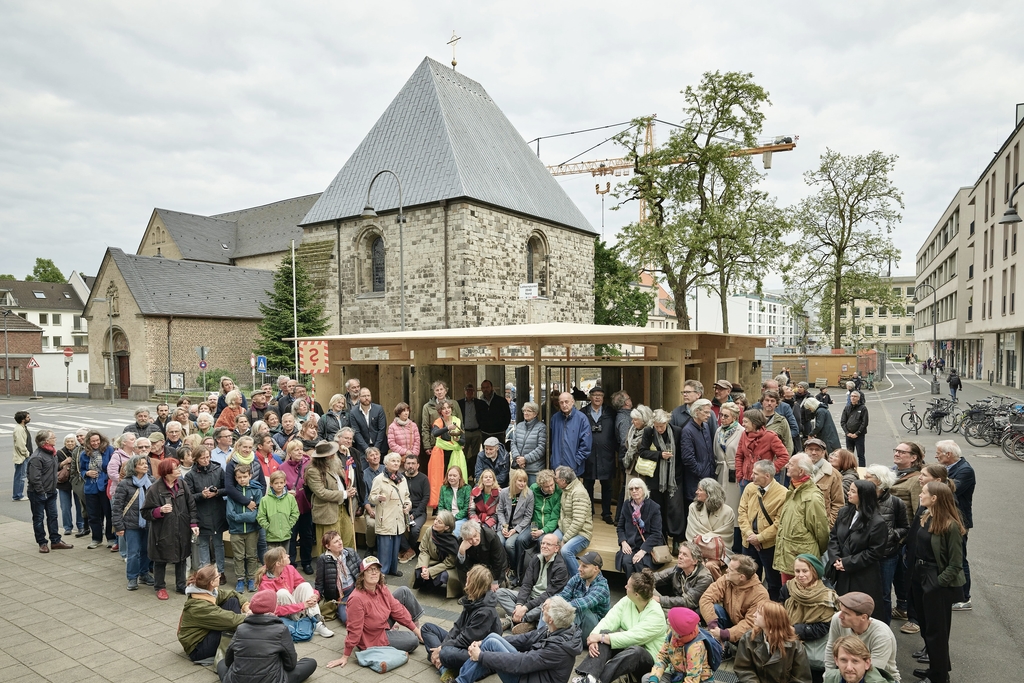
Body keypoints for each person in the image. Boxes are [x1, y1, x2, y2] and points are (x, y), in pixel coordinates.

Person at [909, 482, 965, 683]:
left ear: (934, 498)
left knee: (937, 632)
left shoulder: (950, 526)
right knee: (926, 627)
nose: (920, 494)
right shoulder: (926, 516)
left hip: (935, 580)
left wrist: (938, 583)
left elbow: (956, 563)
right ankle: (935, 669)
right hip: (920, 575)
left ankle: (940, 676)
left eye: (924, 492)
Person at [455, 596, 583, 683]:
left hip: (525, 678)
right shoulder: (557, 628)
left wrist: (481, 656)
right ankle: (461, 679)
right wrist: (481, 643)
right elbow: (525, 639)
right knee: (492, 638)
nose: (541, 608)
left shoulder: (557, 648)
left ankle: (461, 680)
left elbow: (521, 663)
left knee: (491, 644)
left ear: (550, 619)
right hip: (530, 673)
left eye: (544, 608)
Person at [326, 556, 424, 668]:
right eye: (370, 570)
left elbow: (397, 609)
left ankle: (419, 632)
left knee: (404, 591)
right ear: (362, 575)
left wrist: (415, 630)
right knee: (412, 641)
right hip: (372, 637)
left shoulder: (381, 587)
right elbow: (354, 629)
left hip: (381, 622)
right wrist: (345, 655)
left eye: (376, 569)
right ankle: (381, 645)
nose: (374, 572)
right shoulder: (357, 599)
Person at [571, 569, 666, 683]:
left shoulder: (656, 614)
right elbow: (609, 619)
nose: (625, 586)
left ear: (636, 594)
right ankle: (590, 678)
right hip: (629, 648)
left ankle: (600, 680)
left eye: (628, 586)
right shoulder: (627, 601)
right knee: (604, 633)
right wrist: (594, 637)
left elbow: (632, 637)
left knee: (636, 651)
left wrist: (601, 637)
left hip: (650, 662)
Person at [217, 588, 317, 683]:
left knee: (221, 663)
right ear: (272, 609)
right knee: (310, 662)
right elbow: (291, 664)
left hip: (237, 680)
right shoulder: (281, 630)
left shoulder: (240, 628)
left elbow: (228, 661)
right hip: (272, 680)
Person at [423, 565, 502, 683]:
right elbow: (457, 627)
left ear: (475, 584)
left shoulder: (486, 612)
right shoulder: (473, 599)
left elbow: (466, 639)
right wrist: (442, 646)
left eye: (468, 578)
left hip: (478, 653)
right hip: (464, 644)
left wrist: (442, 649)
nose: (466, 581)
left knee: (445, 653)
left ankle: (444, 665)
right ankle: (444, 664)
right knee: (427, 628)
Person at [142, 457, 198, 599]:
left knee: (182, 557)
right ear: (167, 472)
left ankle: (181, 585)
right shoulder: (154, 489)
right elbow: (145, 512)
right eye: (176, 468)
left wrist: (193, 524)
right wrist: (159, 510)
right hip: (162, 531)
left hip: (182, 528)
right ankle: (160, 587)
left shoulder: (183, 485)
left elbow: (191, 505)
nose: (179, 470)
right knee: (160, 559)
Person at [773, 454, 830, 583]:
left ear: (801, 471)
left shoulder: (812, 497)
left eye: (791, 464)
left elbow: (822, 533)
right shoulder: (793, 490)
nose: (786, 466)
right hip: (789, 558)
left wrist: (814, 551)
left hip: (803, 562)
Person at [862, 465, 908, 625]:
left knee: (883, 594)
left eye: (868, 477)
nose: (864, 479)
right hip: (863, 554)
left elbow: (905, 528)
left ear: (880, 482)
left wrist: (891, 536)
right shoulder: (860, 499)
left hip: (886, 556)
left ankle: (883, 628)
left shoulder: (896, 503)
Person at [254, 546, 334, 638]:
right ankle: (305, 620)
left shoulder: (289, 569)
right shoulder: (265, 583)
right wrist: (302, 605)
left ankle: (317, 622)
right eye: (285, 556)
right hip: (284, 614)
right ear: (278, 563)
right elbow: (273, 610)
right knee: (282, 593)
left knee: (306, 585)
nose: (288, 555)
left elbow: (302, 585)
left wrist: (315, 595)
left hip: (295, 607)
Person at [780, 554, 839, 675]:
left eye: (805, 571)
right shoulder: (788, 588)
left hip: (814, 647)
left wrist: (796, 629)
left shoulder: (827, 595)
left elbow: (825, 627)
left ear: (814, 571)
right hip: (788, 641)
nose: (800, 575)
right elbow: (781, 612)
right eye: (797, 571)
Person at [497, 534, 568, 633]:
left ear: (556, 548)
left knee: (548, 608)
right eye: (542, 543)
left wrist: (525, 607)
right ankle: (527, 621)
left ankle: (515, 619)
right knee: (500, 592)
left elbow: (549, 594)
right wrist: (519, 604)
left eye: (548, 544)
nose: (544, 546)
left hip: (544, 601)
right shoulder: (536, 559)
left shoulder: (560, 568)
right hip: (530, 596)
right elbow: (526, 584)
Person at [177, 565, 248, 665]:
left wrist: (246, 606)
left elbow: (232, 593)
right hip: (197, 650)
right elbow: (231, 620)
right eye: (217, 575)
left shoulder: (205, 591)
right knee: (231, 624)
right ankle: (238, 645)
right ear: (212, 582)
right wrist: (251, 617)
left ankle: (238, 639)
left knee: (232, 601)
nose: (220, 576)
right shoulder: (200, 606)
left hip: (204, 635)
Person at [737, 459, 786, 601]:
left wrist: (760, 538)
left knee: (773, 582)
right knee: (749, 578)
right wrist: (750, 534)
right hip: (748, 542)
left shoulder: (783, 494)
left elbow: (779, 524)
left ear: (767, 476)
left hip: (770, 546)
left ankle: (772, 609)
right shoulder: (750, 488)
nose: (751, 476)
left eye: (755, 473)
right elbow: (742, 512)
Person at [935, 439, 975, 611]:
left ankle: (965, 598)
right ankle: (951, 593)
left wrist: (934, 480)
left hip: (959, 521)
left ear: (948, 455)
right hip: (945, 518)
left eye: (939, 452)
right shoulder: (948, 468)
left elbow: (950, 490)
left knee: (959, 559)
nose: (936, 455)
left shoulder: (965, 470)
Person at [824, 593, 900, 682]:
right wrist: (828, 677)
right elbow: (831, 648)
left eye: (846, 613)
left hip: (879, 678)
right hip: (848, 674)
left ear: (863, 617)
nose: (840, 616)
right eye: (840, 610)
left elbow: (872, 672)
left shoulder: (882, 636)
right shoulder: (838, 620)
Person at [699, 555, 770, 647]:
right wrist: (713, 627)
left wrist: (725, 634)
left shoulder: (760, 594)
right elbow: (706, 598)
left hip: (748, 635)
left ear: (741, 577)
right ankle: (721, 646)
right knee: (715, 609)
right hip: (730, 623)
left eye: (731, 570)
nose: (727, 570)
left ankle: (735, 648)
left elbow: (750, 624)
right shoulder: (727, 579)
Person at [733, 601, 813, 683]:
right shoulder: (748, 638)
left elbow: (801, 679)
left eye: (759, 613)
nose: (754, 615)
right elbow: (744, 669)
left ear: (770, 620)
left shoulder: (795, 647)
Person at [890, 441, 924, 626]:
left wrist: (910, 539)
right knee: (897, 575)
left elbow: (918, 512)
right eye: (896, 450)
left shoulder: (915, 480)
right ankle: (902, 607)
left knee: (906, 577)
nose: (897, 454)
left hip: (904, 536)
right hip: (892, 534)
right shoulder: (893, 472)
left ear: (913, 458)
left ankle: (911, 613)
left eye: (902, 452)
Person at [305, 440, 358, 555]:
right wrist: (344, 494)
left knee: (347, 537)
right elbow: (321, 493)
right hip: (327, 511)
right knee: (330, 543)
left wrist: (349, 489)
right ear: (324, 457)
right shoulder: (313, 470)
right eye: (331, 453)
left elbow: (344, 481)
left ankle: (347, 566)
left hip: (342, 508)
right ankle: (329, 568)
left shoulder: (335, 465)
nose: (334, 455)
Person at [184, 446, 228, 582]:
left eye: (208, 457)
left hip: (217, 511)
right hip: (201, 513)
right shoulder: (190, 475)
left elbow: (226, 488)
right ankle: (206, 573)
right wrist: (201, 495)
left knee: (218, 543)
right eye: (202, 458)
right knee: (202, 543)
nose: (206, 460)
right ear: (196, 459)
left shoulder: (218, 470)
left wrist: (217, 492)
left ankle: (220, 572)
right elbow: (188, 496)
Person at [26, 429, 73, 553]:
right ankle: (42, 542)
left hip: (51, 491)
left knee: (53, 516)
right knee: (38, 518)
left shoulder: (51, 453)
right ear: (46, 441)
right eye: (53, 437)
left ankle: (56, 541)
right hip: (38, 493)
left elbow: (53, 468)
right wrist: (42, 493)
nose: (55, 439)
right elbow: (34, 478)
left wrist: (63, 464)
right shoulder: (37, 457)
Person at [112, 454, 154, 589]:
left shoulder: (151, 481)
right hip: (131, 524)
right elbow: (117, 507)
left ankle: (144, 573)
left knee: (146, 550)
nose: (145, 466)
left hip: (148, 523)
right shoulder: (125, 483)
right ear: (133, 467)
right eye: (141, 464)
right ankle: (132, 577)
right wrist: (118, 526)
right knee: (133, 552)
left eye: (146, 463)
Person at [677, 399, 718, 536]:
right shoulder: (687, 430)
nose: (709, 415)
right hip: (695, 480)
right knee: (694, 510)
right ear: (696, 412)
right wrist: (701, 473)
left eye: (709, 412)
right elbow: (688, 459)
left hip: (708, 477)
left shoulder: (705, 426)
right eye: (706, 412)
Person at [369, 451, 412, 577]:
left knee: (395, 547)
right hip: (385, 517)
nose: (396, 463)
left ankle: (393, 569)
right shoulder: (379, 479)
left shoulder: (402, 478)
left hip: (398, 518)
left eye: (398, 461)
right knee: (385, 549)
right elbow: (371, 498)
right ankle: (382, 574)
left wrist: (408, 505)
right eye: (393, 461)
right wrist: (378, 498)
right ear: (386, 463)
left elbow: (406, 496)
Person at [645, 606, 714, 683]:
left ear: (678, 631)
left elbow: (692, 679)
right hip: (678, 676)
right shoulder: (673, 634)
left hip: (697, 680)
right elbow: (663, 657)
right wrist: (654, 679)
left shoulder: (695, 647)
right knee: (647, 679)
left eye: (670, 623)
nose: (668, 622)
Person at [513, 469, 562, 576]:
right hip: (534, 525)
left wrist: (542, 531)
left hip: (548, 529)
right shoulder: (534, 489)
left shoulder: (558, 492)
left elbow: (554, 518)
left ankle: (539, 575)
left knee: (542, 542)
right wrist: (535, 528)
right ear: (541, 486)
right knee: (520, 540)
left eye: (552, 485)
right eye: (547, 487)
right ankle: (518, 573)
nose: (551, 488)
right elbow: (531, 509)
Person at [635, 409, 679, 524]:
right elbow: (643, 451)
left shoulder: (676, 431)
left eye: (662, 426)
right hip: (655, 476)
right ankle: (659, 533)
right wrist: (659, 455)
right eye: (657, 426)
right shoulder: (649, 432)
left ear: (667, 423)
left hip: (672, 476)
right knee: (657, 506)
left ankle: (674, 534)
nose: (659, 429)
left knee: (673, 507)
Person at [554, 551, 611, 639]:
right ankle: (544, 635)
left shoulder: (602, 586)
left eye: (584, 566)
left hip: (595, 630)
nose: (579, 568)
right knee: (549, 604)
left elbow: (583, 604)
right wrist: (551, 602)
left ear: (596, 569)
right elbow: (564, 595)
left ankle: (560, 639)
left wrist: (559, 606)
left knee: (580, 610)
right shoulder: (578, 578)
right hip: (578, 625)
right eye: (580, 565)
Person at [616, 478, 664, 578]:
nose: (634, 491)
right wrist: (623, 542)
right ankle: (631, 588)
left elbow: (656, 534)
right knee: (626, 561)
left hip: (648, 546)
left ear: (643, 489)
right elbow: (620, 527)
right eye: (631, 489)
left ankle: (642, 589)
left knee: (639, 563)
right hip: (631, 544)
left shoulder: (654, 507)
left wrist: (642, 551)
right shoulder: (626, 505)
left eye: (637, 488)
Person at [582, 386, 617, 524]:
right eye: (594, 395)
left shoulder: (610, 413)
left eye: (600, 395)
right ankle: (589, 511)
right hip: (588, 454)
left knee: (607, 486)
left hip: (606, 454)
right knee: (588, 484)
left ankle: (606, 513)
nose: (597, 397)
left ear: (603, 398)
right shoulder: (583, 413)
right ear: (590, 397)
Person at [227, 463, 263, 593]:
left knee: (252, 556)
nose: (242, 479)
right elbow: (230, 514)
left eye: (245, 476)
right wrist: (243, 517)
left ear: (250, 476)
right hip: (236, 531)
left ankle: (252, 579)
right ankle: (240, 579)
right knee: (239, 556)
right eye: (239, 477)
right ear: (235, 478)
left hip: (252, 530)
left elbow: (257, 514)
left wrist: (240, 516)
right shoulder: (232, 493)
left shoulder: (257, 491)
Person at [734, 409, 789, 490]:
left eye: (746, 422)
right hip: (745, 481)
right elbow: (739, 456)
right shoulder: (744, 435)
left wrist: (770, 470)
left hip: (763, 482)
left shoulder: (770, 436)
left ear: (755, 423)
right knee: (745, 503)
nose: (743, 424)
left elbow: (784, 456)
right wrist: (739, 476)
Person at [315, 529, 361, 624]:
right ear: (328, 546)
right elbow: (319, 583)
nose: (340, 543)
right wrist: (316, 598)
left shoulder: (350, 552)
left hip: (356, 589)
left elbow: (362, 571)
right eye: (336, 541)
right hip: (340, 596)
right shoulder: (323, 559)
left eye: (340, 539)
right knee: (347, 619)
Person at [652, 541, 714, 611]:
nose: (680, 556)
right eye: (680, 553)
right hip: (680, 604)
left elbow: (688, 601)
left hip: (695, 612)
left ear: (695, 561)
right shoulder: (679, 569)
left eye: (685, 555)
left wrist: (660, 599)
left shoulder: (704, 578)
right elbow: (658, 576)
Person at [497, 468, 535, 579]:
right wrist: (504, 526)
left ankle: (513, 568)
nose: (522, 484)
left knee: (509, 545)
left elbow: (528, 517)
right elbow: (500, 511)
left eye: (524, 481)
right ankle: (502, 569)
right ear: (514, 481)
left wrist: (515, 530)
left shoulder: (529, 494)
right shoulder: (504, 492)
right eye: (520, 481)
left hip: (519, 527)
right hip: (505, 525)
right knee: (499, 542)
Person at [80, 430, 115, 549]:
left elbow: (113, 466)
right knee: (93, 515)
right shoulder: (84, 454)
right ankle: (96, 538)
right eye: (93, 441)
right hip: (90, 487)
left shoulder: (109, 450)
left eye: (97, 441)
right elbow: (81, 470)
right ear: (88, 442)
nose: (95, 443)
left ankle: (111, 538)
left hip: (105, 485)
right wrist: (87, 473)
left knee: (108, 513)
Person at [555, 466, 592, 575]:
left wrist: (564, 539)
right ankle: (558, 577)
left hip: (582, 533)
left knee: (566, 551)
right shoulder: (566, 489)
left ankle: (579, 580)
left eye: (556, 478)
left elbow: (578, 522)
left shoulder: (578, 492)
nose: (554, 479)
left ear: (563, 481)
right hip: (565, 529)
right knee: (549, 541)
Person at [415, 511, 462, 597]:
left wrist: (430, 571)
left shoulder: (452, 541)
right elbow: (424, 550)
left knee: (443, 575)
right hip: (433, 561)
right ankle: (426, 583)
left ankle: (433, 586)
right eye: (436, 519)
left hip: (447, 567)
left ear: (446, 527)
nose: (435, 522)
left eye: (439, 522)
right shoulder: (430, 531)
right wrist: (424, 568)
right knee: (419, 569)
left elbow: (449, 563)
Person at [430, 400, 467, 508]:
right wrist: (447, 428)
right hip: (441, 453)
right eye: (444, 408)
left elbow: (463, 440)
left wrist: (457, 439)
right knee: (440, 479)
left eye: (448, 408)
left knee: (454, 478)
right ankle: (438, 505)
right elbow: (435, 433)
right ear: (440, 411)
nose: (447, 410)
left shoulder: (457, 421)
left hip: (454, 452)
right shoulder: (438, 421)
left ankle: (455, 503)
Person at [714, 402, 743, 528]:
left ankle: (735, 532)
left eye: (726, 416)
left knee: (734, 503)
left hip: (734, 472)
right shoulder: (718, 431)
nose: (723, 419)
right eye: (721, 415)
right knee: (721, 503)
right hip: (721, 470)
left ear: (734, 417)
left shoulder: (741, 431)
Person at [686, 477, 735, 550]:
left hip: (719, 551)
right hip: (697, 549)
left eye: (700, 490)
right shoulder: (693, 507)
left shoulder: (728, 512)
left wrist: (703, 539)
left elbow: (726, 535)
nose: (696, 492)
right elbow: (693, 532)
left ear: (709, 493)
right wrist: (711, 539)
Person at [550, 392, 592, 476]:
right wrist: (553, 459)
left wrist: (576, 461)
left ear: (572, 402)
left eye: (566, 402)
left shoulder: (581, 419)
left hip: (573, 468)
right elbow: (551, 441)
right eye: (561, 402)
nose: (564, 405)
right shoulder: (555, 418)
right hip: (556, 467)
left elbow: (586, 444)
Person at [805, 437, 845, 525]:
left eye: (817, 450)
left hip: (821, 524)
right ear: (805, 451)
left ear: (823, 453)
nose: (813, 452)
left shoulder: (833, 474)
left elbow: (838, 503)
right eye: (811, 449)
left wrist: (829, 525)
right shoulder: (798, 470)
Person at [457, 519, 509, 586]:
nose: (474, 540)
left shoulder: (491, 536)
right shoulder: (461, 540)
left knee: (493, 589)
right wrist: (461, 551)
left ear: (479, 531)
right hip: (476, 565)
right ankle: (468, 593)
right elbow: (460, 566)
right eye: (469, 538)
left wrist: (495, 581)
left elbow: (498, 561)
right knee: (461, 569)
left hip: (493, 566)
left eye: (475, 535)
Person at [825, 635, 896, 683]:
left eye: (855, 661)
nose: (849, 668)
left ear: (867, 663)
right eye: (843, 660)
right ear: (836, 661)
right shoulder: (830, 678)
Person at [258, 470, 299, 550]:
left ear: (285, 483)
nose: (279, 485)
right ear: (271, 484)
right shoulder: (265, 500)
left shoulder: (290, 498)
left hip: (286, 536)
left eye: (281, 483)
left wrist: (289, 525)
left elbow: (295, 513)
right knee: (273, 560)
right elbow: (261, 516)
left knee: (284, 558)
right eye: (276, 483)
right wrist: (269, 527)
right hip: (271, 537)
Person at [401, 453, 430, 562]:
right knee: (395, 527)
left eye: (413, 463)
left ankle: (409, 549)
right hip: (402, 511)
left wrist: (414, 515)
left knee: (415, 529)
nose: (410, 466)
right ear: (405, 465)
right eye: (408, 463)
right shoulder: (400, 477)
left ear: (418, 465)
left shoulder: (423, 479)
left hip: (419, 511)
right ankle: (409, 550)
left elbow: (425, 499)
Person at [509, 401, 546, 485]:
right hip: (520, 468)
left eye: (529, 411)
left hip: (534, 470)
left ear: (535, 413)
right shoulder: (519, 425)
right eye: (524, 411)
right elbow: (513, 443)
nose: (525, 413)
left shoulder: (541, 427)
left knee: (533, 494)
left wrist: (525, 459)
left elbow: (541, 448)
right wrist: (518, 458)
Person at [56, 433, 85, 537]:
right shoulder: (60, 452)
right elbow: (55, 467)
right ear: (64, 443)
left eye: (72, 441)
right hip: (64, 483)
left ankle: (81, 525)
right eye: (68, 441)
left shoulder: (80, 450)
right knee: (65, 506)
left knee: (80, 505)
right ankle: (67, 527)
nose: (70, 443)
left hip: (77, 482)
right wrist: (64, 462)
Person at [425, 380, 464, 454]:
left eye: (441, 389)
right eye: (437, 390)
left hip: (453, 442)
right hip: (436, 443)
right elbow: (425, 427)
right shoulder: (427, 407)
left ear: (446, 391)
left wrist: (461, 442)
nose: (439, 392)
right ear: (434, 393)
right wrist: (427, 446)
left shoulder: (454, 404)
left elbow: (460, 424)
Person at [348, 387, 388, 454]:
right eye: (364, 396)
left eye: (368, 395)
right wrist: (366, 449)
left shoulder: (379, 409)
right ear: (359, 397)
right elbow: (356, 432)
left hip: (380, 447)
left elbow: (382, 429)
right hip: (362, 449)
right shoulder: (353, 412)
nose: (366, 398)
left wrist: (376, 448)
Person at [439, 465, 472, 536]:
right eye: (450, 475)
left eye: (454, 475)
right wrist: (444, 518)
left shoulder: (467, 488)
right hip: (446, 518)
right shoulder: (443, 488)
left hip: (461, 518)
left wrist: (454, 518)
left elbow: (467, 508)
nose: (451, 478)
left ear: (459, 476)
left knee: (453, 532)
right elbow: (441, 506)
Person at [458, 384, 485, 468]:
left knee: (475, 454)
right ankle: (464, 471)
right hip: (464, 432)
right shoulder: (459, 403)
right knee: (463, 453)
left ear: (474, 392)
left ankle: (474, 472)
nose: (469, 392)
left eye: (471, 390)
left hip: (476, 431)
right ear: (464, 392)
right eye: (467, 390)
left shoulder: (479, 403)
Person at [840, 392, 869, 467]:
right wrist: (847, 432)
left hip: (859, 436)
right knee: (849, 455)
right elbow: (843, 421)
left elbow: (864, 422)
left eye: (855, 396)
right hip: (849, 436)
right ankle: (849, 469)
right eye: (851, 396)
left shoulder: (863, 408)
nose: (853, 398)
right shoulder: (847, 408)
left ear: (858, 398)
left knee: (860, 455)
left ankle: (862, 470)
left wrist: (857, 433)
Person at [12, 410, 31, 502]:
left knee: (20, 475)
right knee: (20, 476)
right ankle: (17, 495)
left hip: (23, 456)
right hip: (22, 457)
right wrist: (27, 454)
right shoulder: (19, 429)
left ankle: (17, 494)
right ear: (23, 419)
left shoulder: (22, 427)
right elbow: (20, 444)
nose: (29, 418)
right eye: (28, 417)